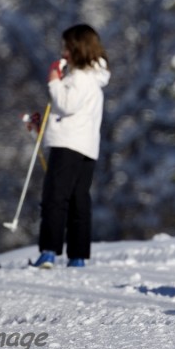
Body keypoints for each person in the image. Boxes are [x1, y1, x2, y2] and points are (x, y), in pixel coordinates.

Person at [32, 23, 111, 269]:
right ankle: (78, 255)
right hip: (86, 146)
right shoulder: (94, 79)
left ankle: (49, 251)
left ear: (77, 48)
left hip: (67, 145)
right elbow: (72, 113)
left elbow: (66, 105)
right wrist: (41, 126)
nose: (64, 53)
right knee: (79, 199)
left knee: (55, 197)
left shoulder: (79, 77)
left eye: (67, 47)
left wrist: (54, 81)